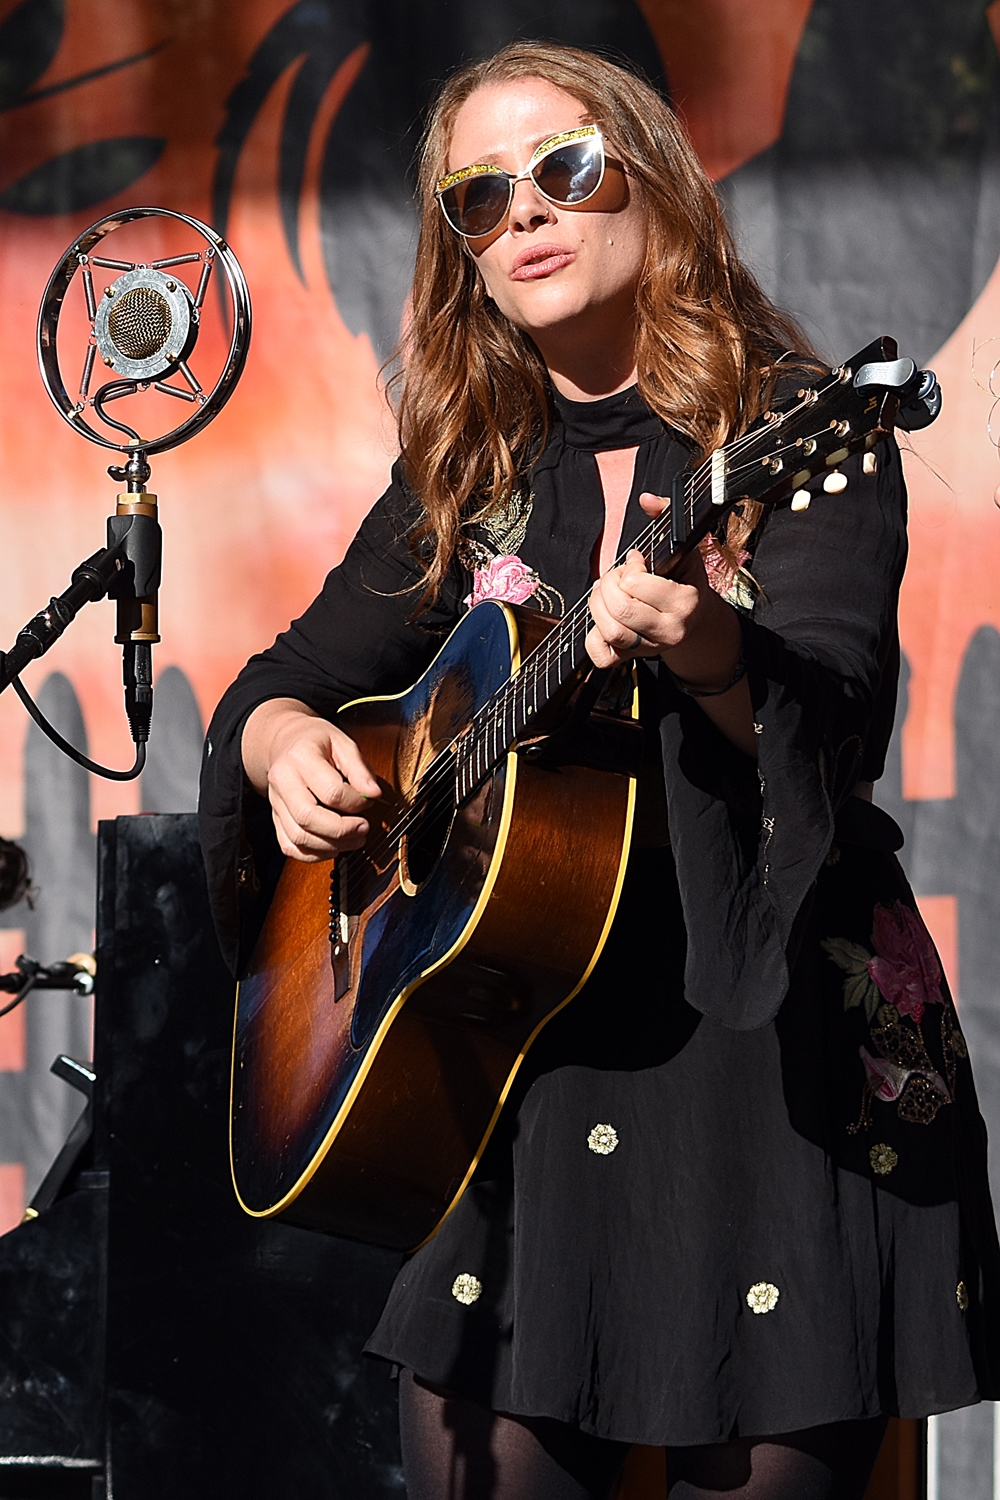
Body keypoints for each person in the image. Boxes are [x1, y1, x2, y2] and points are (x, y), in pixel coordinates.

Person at [199, 40, 1000, 1500]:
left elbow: (835, 719)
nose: (524, 211)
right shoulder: (471, 464)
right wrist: (283, 749)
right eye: (477, 197)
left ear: (657, 184)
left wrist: (709, 646)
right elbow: (278, 685)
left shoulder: (794, 429)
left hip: (769, 1054)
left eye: (565, 170)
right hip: (530, 1054)